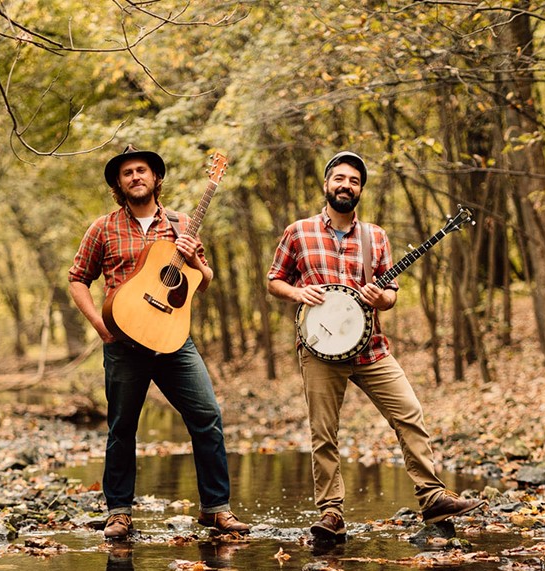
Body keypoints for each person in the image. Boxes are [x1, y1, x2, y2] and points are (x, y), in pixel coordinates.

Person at [266, 151, 485, 543]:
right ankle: (331, 513)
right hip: (319, 349)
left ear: (360, 190)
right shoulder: (298, 231)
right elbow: (274, 280)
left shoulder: (375, 237)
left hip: (372, 348)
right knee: (324, 433)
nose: (346, 185)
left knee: (410, 413)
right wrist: (299, 292)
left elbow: (391, 294)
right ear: (326, 184)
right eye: (339, 178)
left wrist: (381, 297)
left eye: (353, 180)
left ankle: (432, 497)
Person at [68, 145, 251, 541]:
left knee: (207, 416)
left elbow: (204, 280)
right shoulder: (103, 228)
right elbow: (77, 278)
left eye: (142, 171)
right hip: (123, 341)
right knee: (122, 428)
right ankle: (118, 511)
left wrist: (195, 259)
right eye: (128, 173)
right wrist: (101, 326)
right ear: (118, 183)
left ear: (156, 178)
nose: (136, 177)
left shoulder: (183, 223)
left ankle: (216, 509)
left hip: (172, 339)